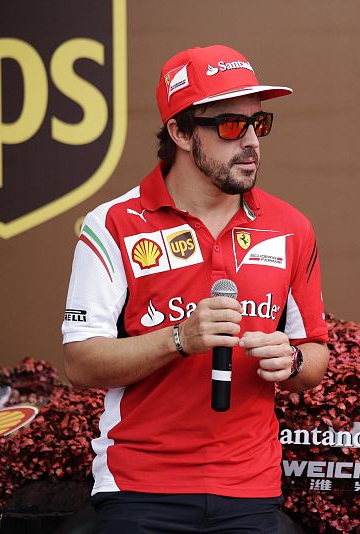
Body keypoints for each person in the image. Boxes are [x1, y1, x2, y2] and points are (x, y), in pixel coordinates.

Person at [62, 44, 330, 533]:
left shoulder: (291, 227)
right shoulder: (114, 224)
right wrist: (179, 338)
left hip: (250, 488)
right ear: (181, 133)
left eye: (259, 123)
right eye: (231, 126)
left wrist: (291, 361)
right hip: (139, 488)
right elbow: (80, 363)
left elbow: (315, 354)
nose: (251, 141)